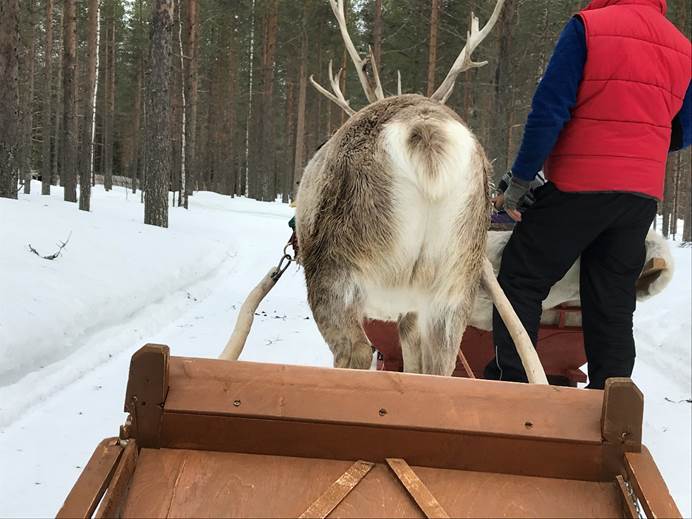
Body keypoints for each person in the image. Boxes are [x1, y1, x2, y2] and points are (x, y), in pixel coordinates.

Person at [484, 0, 691, 389]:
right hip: (638, 195)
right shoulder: (682, 46)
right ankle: (612, 409)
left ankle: (513, 385)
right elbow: (687, 125)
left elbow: (549, 109)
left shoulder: (589, 27)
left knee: (521, 277)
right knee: (612, 303)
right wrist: (642, 146)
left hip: (579, 183)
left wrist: (522, 177)